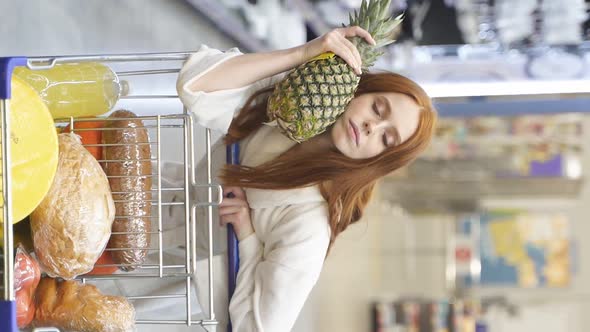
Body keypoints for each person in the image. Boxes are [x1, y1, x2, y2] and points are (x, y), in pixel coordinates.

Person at [176, 26, 437, 332]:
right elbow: (196, 82)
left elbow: (258, 329)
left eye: (386, 139)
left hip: (174, 289)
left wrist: (247, 241)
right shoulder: (292, 100)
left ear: (379, 161)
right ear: (360, 89)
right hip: (153, 197)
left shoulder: (310, 224)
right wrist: (301, 54)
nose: (371, 127)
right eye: (378, 109)